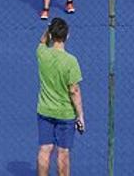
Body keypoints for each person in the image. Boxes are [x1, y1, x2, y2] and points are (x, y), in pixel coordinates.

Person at [36, 17, 84, 176]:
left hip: (45, 111)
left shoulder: (42, 54)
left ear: (51, 35)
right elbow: (74, 91)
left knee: (45, 149)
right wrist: (80, 116)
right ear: (67, 36)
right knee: (63, 152)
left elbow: (42, 41)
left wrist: (48, 30)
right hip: (65, 114)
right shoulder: (71, 61)